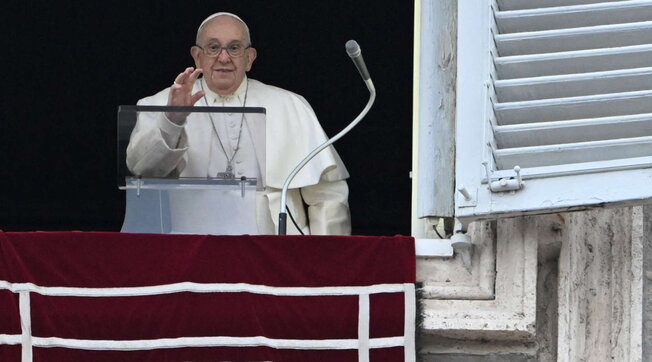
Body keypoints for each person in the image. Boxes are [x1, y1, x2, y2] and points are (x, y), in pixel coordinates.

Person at [126, 12, 351, 235]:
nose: (223, 58)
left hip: (278, 256)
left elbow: (327, 196)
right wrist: (172, 120)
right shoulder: (158, 105)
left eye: (234, 48)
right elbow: (142, 171)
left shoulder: (290, 105)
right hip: (193, 254)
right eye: (213, 47)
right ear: (197, 56)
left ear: (250, 58)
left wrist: (324, 261)